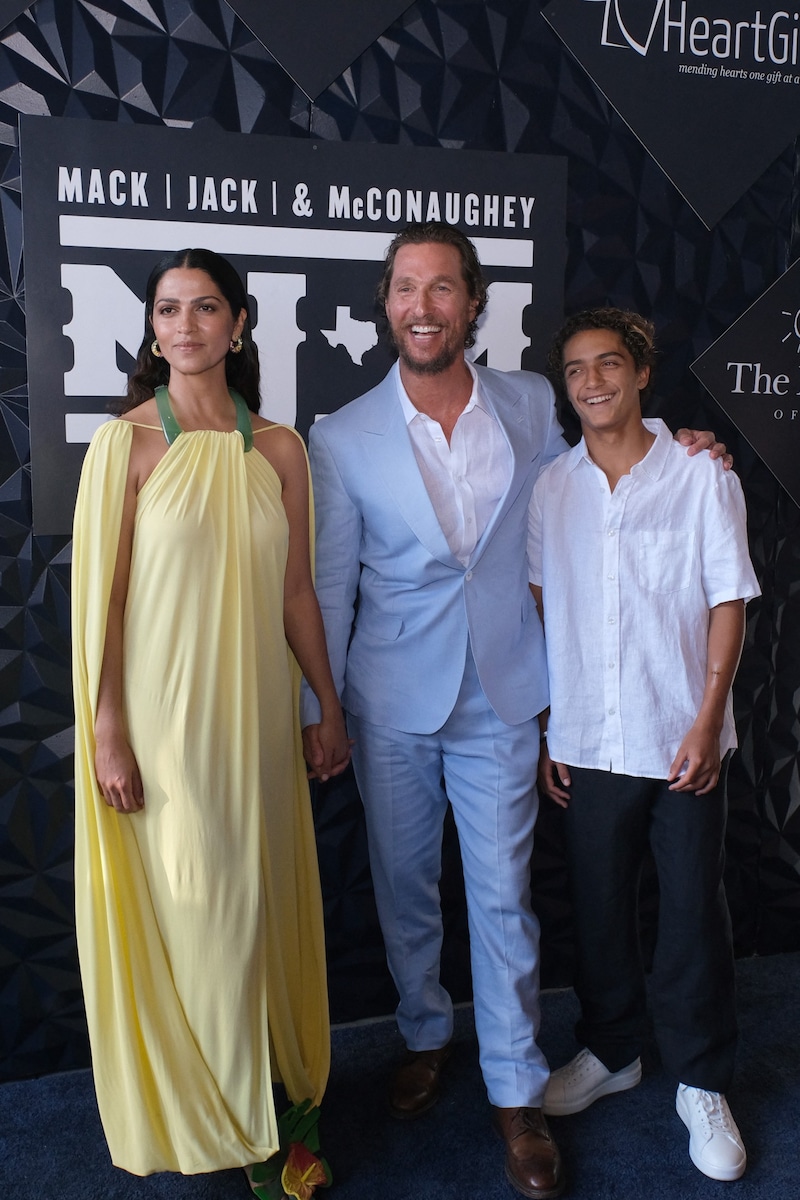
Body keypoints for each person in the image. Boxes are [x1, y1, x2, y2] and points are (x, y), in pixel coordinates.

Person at [300, 222, 727, 1200]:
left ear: (471, 303)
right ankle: (420, 1032)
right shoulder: (340, 436)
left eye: (440, 288)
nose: (421, 305)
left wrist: (679, 443)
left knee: (501, 897)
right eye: (405, 287)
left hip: (504, 694)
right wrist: (319, 708)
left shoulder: (532, 403)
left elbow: (601, 466)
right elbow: (326, 590)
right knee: (405, 890)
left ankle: (512, 1090)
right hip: (390, 700)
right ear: (384, 303)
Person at [71, 248, 350, 1188]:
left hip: (263, 719)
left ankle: (270, 1097)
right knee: (206, 911)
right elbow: (100, 605)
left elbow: (298, 593)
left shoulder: (280, 448)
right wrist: (107, 726)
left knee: (261, 904)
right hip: (166, 721)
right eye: (166, 310)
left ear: (239, 324)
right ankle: (243, 1131)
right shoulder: (126, 445)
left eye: (204, 308)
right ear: (152, 328)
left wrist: (327, 705)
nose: (183, 327)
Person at [530, 308, 759, 1183]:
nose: (593, 382)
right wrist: (559, 717)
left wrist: (707, 718)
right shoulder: (553, 488)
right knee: (596, 904)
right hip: (589, 737)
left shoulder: (701, 475)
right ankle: (613, 1050)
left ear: (640, 374)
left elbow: (728, 599)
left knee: (693, 911)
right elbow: (550, 603)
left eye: (610, 365)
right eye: (578, 369)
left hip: (682, 737)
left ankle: (702, 1080)